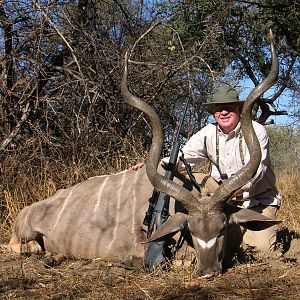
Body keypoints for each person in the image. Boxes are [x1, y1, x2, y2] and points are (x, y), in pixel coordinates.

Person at [132, 86, 281, 254]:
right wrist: (156, 165)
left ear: (239, 109)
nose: (223, 112)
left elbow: (256, 174)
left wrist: (222, 196)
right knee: (179, 176)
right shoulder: (208, 132)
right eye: (219, 109)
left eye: (229, 108)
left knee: (258, 249)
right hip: (220, 196)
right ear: (213, 114)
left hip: (256, 199)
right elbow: (183, 157)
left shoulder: (256, 130)